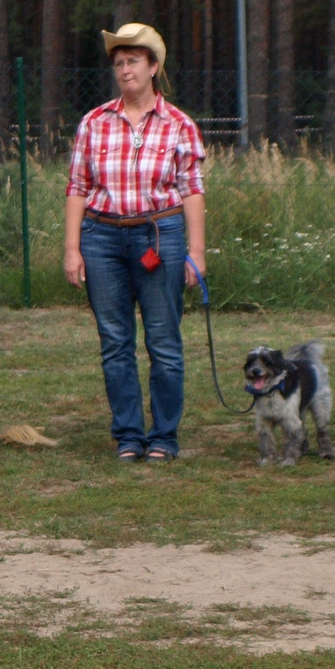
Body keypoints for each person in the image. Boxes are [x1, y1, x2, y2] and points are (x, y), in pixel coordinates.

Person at [63, 23, 206, 462]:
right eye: (119, 63)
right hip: (101, 237)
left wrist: (196, 252)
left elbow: (192, 189)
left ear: (153, 67)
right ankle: (128, 434)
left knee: (163, 340)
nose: (125, 70)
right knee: (115, 341)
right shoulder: (94, 121)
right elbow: (77, 187)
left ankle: (163, 435)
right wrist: (72, 248)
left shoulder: (180, 124)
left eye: (133, 62)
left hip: (160, 234)